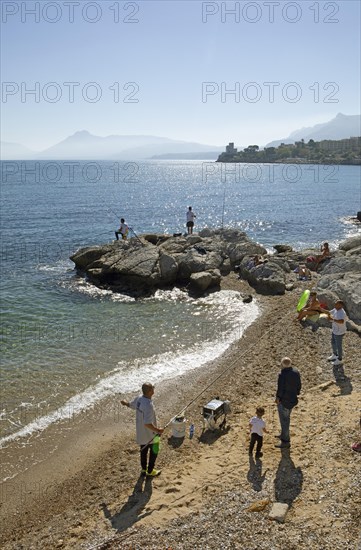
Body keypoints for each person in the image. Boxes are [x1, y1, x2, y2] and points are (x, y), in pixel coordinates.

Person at [121, 382, 164, 477]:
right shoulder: (148, 405)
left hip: (141, 434)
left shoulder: (139, 398)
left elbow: (131, 405)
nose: (154, 389)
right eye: (152, 388)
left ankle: (144, 469)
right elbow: (147, 423)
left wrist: (125, 403)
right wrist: (158, 430)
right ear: (149, 392)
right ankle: (150, 471)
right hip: (151, 434)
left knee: (143, 452)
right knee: (154, 451)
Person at [275, 357, 301, 449]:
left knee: (284, 421)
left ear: (282, 365)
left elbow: (280, 389)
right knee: (286, 418)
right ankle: (283, 434)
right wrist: (296, 393)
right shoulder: (296, 372)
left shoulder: (282, 374)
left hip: (284, 401)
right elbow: (299, 385)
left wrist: (278, 398)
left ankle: (285, 441)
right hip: (293, 400)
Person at [327, 300, 347, 366]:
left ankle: (340, 359)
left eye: (336, 304)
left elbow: (341, 321)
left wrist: (332, 319)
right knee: (333, 342)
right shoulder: (335, 309)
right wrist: (319, 309)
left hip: (339, 331)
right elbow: (328, 312)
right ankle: (335, 354)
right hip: (334, 330)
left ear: (340, 305)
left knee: (339, 346)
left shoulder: (342, 313)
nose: (334, 304)